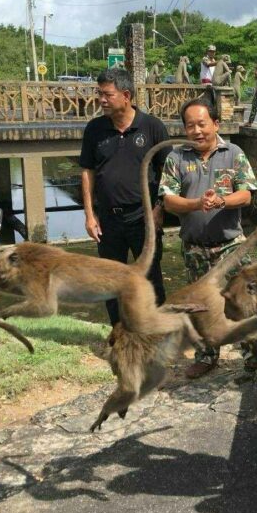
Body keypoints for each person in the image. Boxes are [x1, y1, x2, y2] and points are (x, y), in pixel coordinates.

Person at [159, 96, 257, 379]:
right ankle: (207, 356)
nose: (197, 131)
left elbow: (247, 194)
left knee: (244, 302)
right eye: (190, 125)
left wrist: (222, 201)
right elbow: (168, 201)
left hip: (231, 246)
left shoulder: (234, 153)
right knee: (201, 307)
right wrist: (195, 204)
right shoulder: (176, 157)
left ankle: (256, 356)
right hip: (194, 248)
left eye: (202, 124)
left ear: (216, 124)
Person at [80, 68, 170, 326]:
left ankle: (157, 332)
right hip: (108, 220)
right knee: (110, 281)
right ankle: (120, 334)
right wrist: (89, 215)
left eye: (107, 94)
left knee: (151, 277)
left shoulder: (152, 127)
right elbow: (87, 171)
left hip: (144, 219)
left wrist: (159, 209)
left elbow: (168, 173)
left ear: (126, 95)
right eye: (99, 94)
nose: (101, 100)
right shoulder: (95, 129)